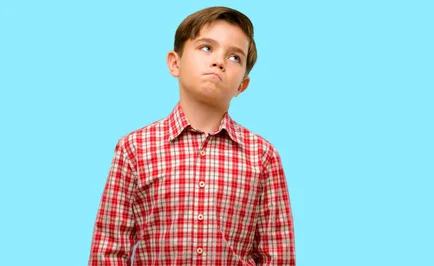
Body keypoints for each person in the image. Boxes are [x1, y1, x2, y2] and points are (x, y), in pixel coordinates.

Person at [88, 6, 295, 265]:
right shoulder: (134, 149)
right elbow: (109, 248)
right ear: (175, 63)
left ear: (242, 85)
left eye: (234, 58)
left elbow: (278, 254)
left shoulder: (263, 156)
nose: (219, 61)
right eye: (207, 47)